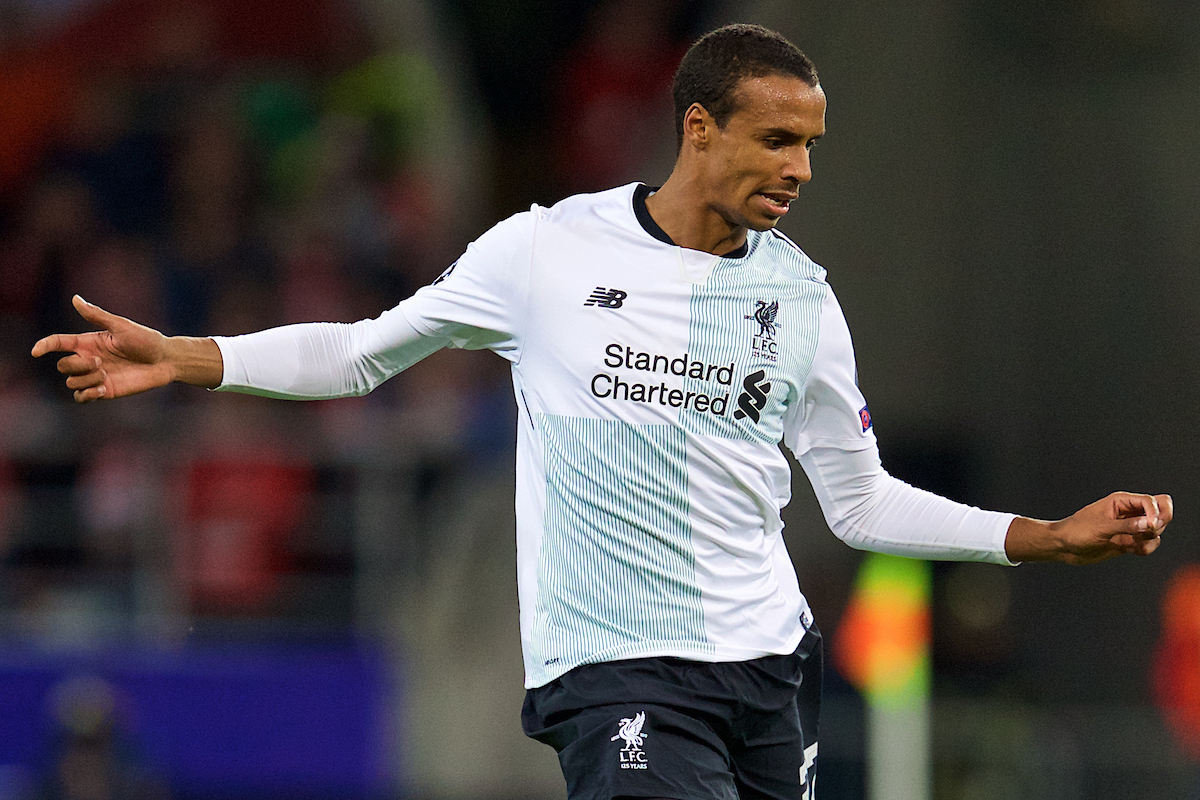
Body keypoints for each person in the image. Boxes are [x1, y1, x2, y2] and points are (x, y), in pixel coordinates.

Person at [33, 23, 1172, 800]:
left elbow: (860, 500)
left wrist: (1041, 534)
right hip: (616, 667)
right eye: (779, 139)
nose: (801, 170)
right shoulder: (545, 250)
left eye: (812, 146)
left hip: (771, 663)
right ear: (698, 129)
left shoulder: (803, 297)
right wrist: (194, 356)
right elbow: (367, 353)